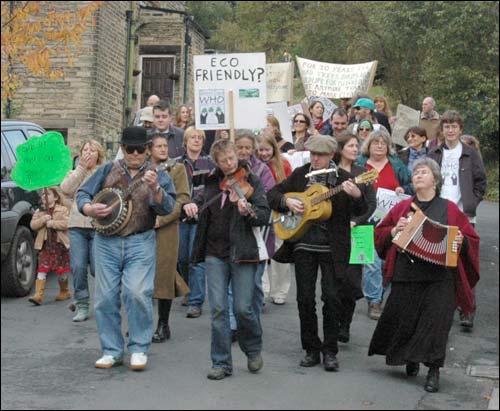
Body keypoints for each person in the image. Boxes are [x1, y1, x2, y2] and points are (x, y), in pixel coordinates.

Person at [368, 157, 480, 393]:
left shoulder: (449, 209)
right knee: (406, 319)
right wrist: (394, 230)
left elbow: (470, 238)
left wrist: (461, 242)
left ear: (435, 180)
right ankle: (410, 357)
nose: (418, 175)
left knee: (437, 323)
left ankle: (434, 370)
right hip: (407, 272)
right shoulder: (402, 207)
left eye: (424, 172)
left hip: (440, 277)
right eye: (416, 172)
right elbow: (379, 235)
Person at [76, 126, 176, 371]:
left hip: (140, 241)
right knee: (105, 298)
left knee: (137, 292)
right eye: (129, 149)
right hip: (106, 242)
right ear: (122, 148)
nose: (134, 153)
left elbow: (168, 207)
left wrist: (156, 190)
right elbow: (82, 193)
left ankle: (139, 348)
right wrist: (89, 208)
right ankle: (111, 350)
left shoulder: (158, 174)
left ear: (147, 149)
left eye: (140, 149)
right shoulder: (108, 169)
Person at [267, 134, 368, 372]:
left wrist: (356, 195)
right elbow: (272, 195)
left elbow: (362, 210)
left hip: (333, 247)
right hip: (303, 244)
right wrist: (287, 203)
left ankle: (330, 350)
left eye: (320, 155)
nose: (315, 159)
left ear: (331, 155)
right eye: (312, 154)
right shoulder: (301, 174)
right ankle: (311, 348)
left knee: (332, 298)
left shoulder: (344, 179)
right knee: (304, 298)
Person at [182, 139, 270, 380]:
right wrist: (190, 205)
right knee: (219, 309)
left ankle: (252, 349)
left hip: (242, 252)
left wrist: (247, 212)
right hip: (214, 252)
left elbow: (263, 213)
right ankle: (221, 362)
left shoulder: (251, 180)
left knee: (243, 308)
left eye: (232, 158)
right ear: (217, 163)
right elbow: (198, 201)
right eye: (224, 161)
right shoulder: (211, 182)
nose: (230, 164)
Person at [428, 110, 486, 330]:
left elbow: (481, 182)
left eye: (454, 126)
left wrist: (471, 204)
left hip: (464, 218)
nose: (450, 130)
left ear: (460, 129)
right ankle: (442, 307)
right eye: (446, 127)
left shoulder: (470, 154)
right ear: (441, 130)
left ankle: (467, 308)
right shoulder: (434, 153)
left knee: (466, 264)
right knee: (439, 262)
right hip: (439, 215)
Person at [356, 130, 411, 320]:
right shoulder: (359, 165)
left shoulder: (397, 165)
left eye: (383, 143)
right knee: (370, 262)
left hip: (390, 223)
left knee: (387, 262)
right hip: (364, 220)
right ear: (368, 145)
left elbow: (411, 186)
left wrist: (403, 189)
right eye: (375, 142)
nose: (380, 145)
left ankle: (379, 295)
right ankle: (374, 301)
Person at [334, 132, 377, 342]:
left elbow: (371, 205)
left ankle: (345, 325)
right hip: (335, 232)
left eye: (356, 146)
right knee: (336, 279)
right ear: (340, 148)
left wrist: (356, 221)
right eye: (350, 145)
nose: (354, 149)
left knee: (352, 282)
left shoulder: (364, 173)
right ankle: (333, 321)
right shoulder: (331, 173)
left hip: (359, 231)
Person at [149, 132, 190, 343]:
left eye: (165, 146)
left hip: (167, 229)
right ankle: (143, 323)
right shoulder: (143, 170)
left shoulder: (177, 168)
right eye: (158, 146)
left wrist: (162, 220)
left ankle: (163, 325)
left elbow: (182, 198)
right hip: (143, 229)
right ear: (150, 149)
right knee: (142, 277)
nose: (163, 149)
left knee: (164, 276)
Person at [60, 139, 106, 321]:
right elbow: (65, 189)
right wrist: (81, 169)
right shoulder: (75, 172)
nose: (87, 153)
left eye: (92, 150)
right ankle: (82, 303)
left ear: (98, 155)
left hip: (98, 227)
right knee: (78, 267)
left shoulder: (104, 173)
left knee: (97, 267)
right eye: (85, 150)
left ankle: (105, 300)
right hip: (77, 226)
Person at [177, 127, 216, 318]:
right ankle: (188, 288)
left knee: (196, 259)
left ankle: (196, 301)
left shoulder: (210, 164)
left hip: (201, 217)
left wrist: (197, 204)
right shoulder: (176, 164)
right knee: (182, 258)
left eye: (200, 137)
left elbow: (211, 189)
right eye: (192, 137)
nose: (196, 140)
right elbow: (174, 188)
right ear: (185, 141)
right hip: (181, 217)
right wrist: (184, 204)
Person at [256, 132, 293, 305]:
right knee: (261, 250)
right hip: (262, 212)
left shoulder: (283, 165)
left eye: (267, 149)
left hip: (280, 212)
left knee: (279, 251)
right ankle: (262, 289)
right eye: (260, 150)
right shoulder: (255, 166)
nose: (264, 153)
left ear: (274, 149)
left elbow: (290, 187)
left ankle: (280, 290)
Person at [28, 186, 72, 306]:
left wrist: (52, 223)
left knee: (61, 271)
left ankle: (64, 291)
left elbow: (67, 223)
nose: (44, 197)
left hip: (59, 245)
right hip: (46, 245)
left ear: (56, 197)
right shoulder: (39, 211)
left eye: (48, 194)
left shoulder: (62, 210)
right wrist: (43, 219)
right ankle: (38, 295)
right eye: (43, 195)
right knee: (42, 269)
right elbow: (33, 225)